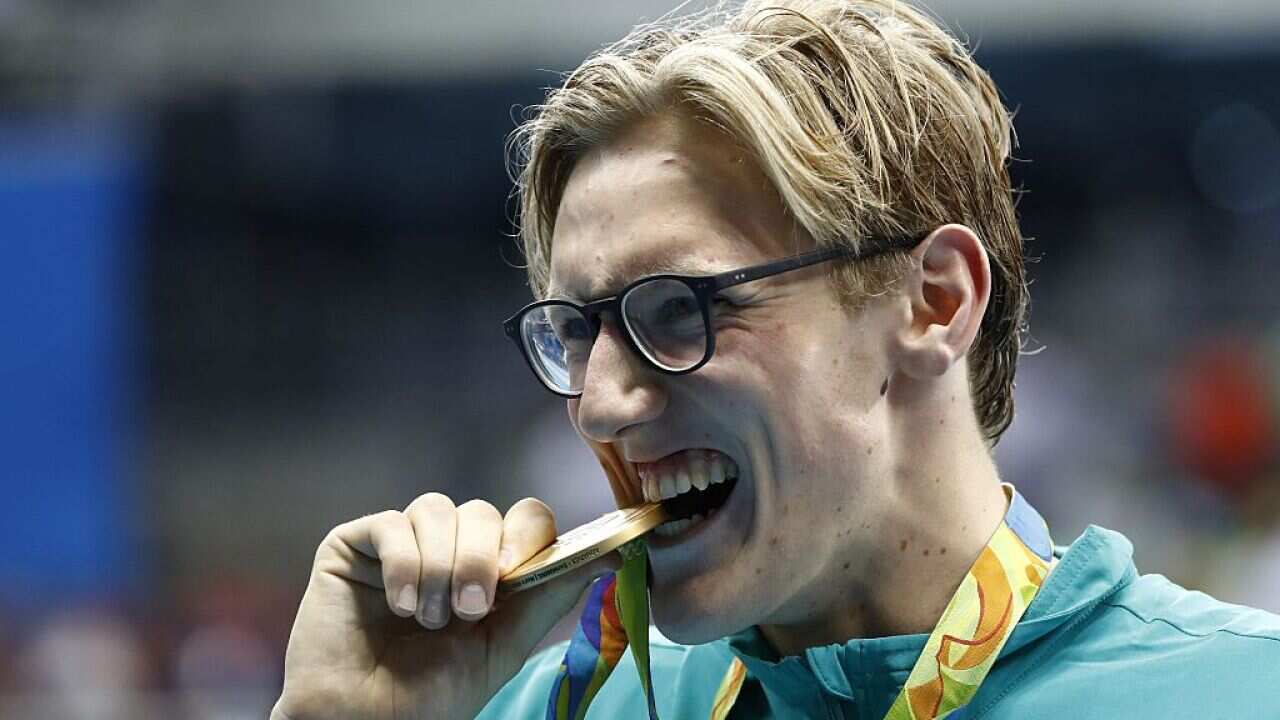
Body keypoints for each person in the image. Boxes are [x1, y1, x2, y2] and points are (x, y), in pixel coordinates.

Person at [271, 2, 1280, 718]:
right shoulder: (545, 708)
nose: (599, 404)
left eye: (677, 310)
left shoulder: (1237, 697)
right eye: (576, 334)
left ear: (933, 303)